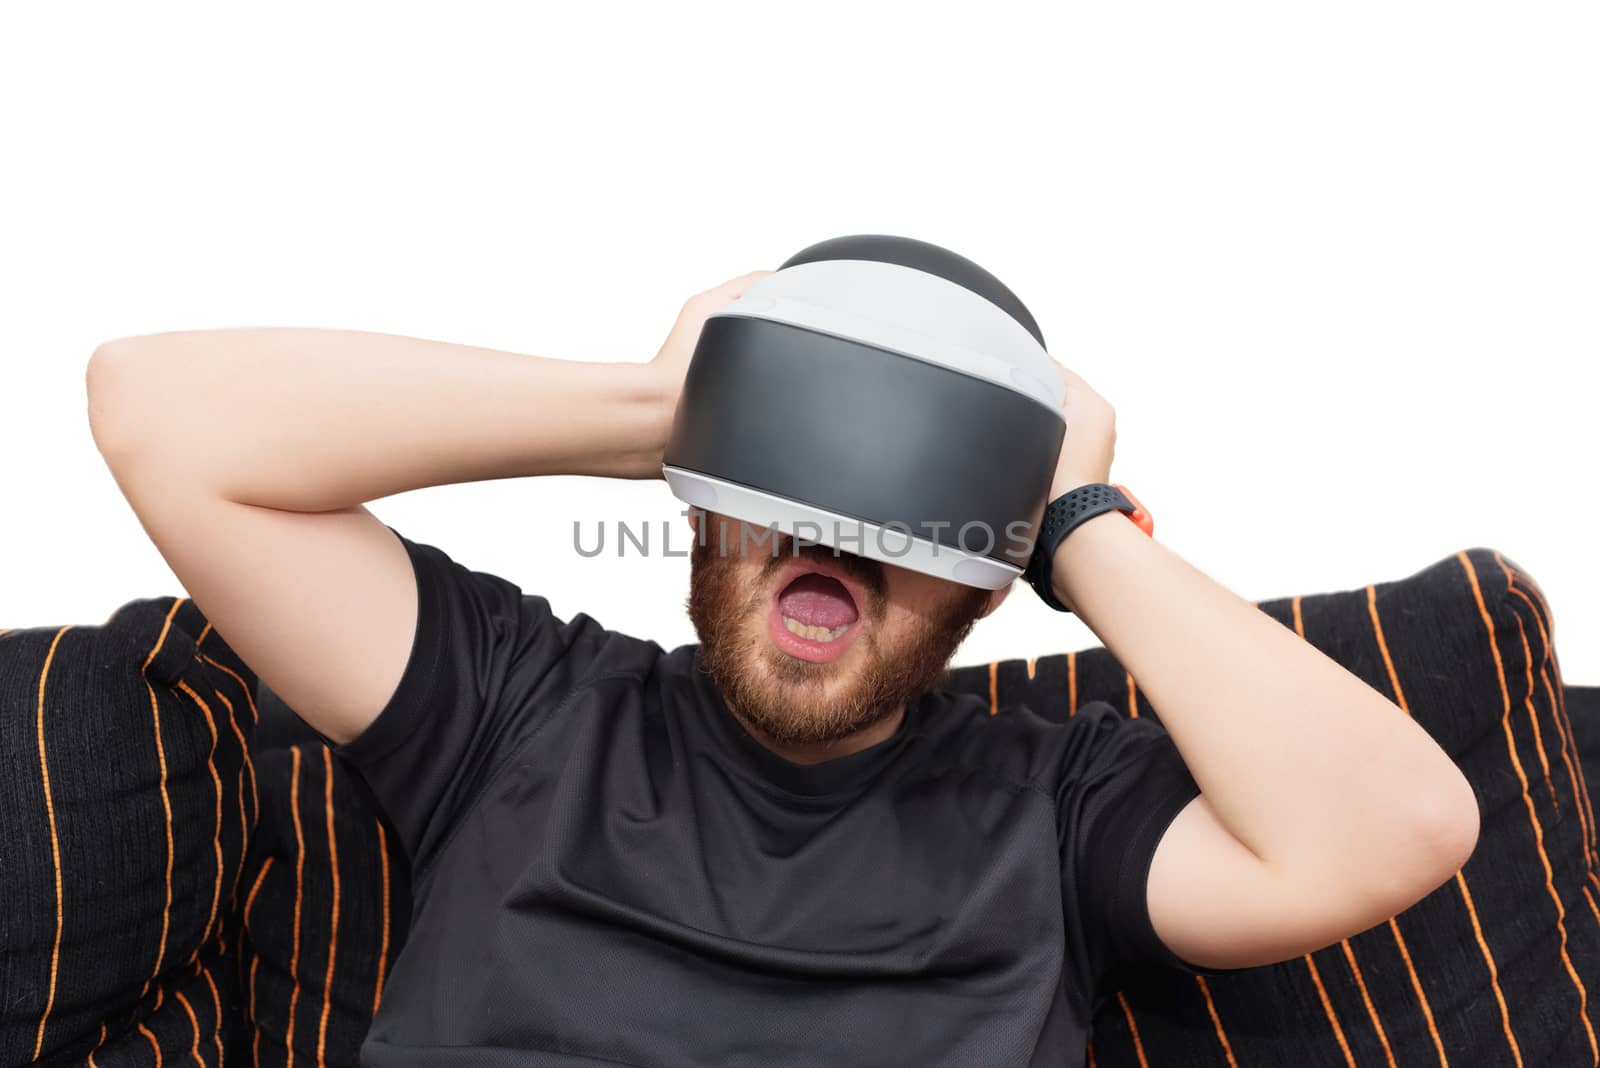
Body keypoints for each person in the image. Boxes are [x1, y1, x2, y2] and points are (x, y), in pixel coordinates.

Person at [85, 271, 1479, 1067]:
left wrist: (1071, 523)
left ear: (990, 587)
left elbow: (1397, 827)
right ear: (703, 507)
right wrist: (659, 405)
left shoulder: (1057, 811)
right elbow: (159, 414)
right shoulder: (518, 709)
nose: (840, 531)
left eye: (910, 515)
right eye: (793, 479)